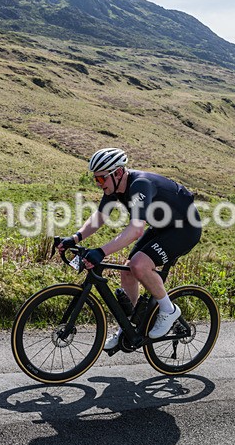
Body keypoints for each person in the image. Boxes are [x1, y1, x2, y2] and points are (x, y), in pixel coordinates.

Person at [57, 147, 202, 349]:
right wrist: (75, 238)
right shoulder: (114, 187)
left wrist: (101, 252)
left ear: (117, 173)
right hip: (162, 227)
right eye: (95, 180)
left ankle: (168, 310)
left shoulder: (140, 185)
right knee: (128, 272)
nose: (99, 184)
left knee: (139, 265)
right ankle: (129, 327)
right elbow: (99, 218)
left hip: (185, 228)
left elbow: (136, 230)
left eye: (101, 179)